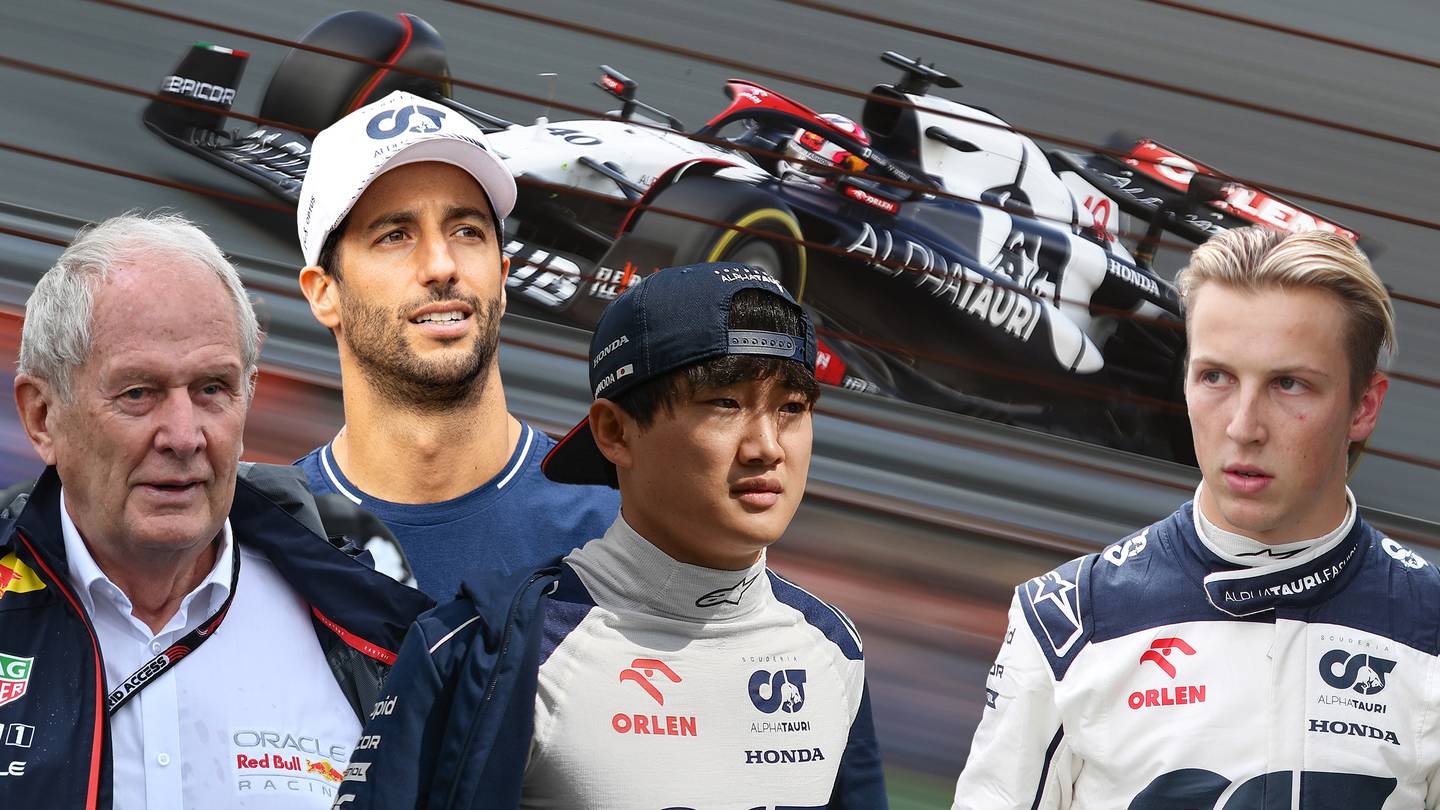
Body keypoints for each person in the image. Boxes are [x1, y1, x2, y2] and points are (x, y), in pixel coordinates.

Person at [332, 263, 888, 809]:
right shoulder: (486, 646)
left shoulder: (833, 647)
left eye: (792, 408)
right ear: (615, 432)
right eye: (726, 403)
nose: (767, 446)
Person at [951, 226, 1434, 808]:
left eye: (1289, 384)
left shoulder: (1428, 628)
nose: (1243, 426)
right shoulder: (1068, 622)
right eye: (1216, 377)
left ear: (1364, 406)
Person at [0, 213, 431, 809]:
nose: (183, 435)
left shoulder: (366, 626)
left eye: (211, 390)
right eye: (137, 393)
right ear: (43, 417)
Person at [293, 90, 619, 599]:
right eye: (395, 235)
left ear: (502, 276)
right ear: (325, 294)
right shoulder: (270, 542)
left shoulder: (625, 531)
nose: (442, 265)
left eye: (467, 230)